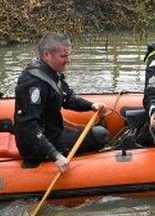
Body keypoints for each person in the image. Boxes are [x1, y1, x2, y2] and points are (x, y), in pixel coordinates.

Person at [14, 33, 110, 170]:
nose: (68, 60)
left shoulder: (51, 74)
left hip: (53, 133)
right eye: (63, 56)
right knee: (100, 135)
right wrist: (55, 155)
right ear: (47, 55)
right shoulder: (33, 83)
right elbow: (28, 125)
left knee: (101, 128)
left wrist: (92, 106)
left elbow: (68, 99)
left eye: (68, 55)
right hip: (38, 146)